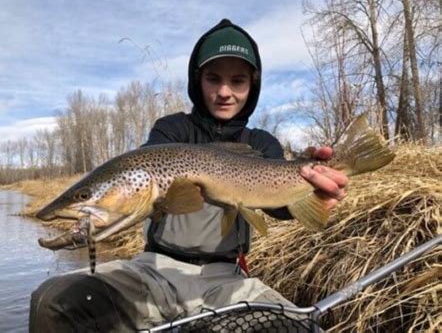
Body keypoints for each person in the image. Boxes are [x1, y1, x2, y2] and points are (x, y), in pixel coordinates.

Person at [29, 18, 347, 332]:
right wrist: (98, 215)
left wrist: (315, 193)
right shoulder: (171, 130)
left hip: (226, 281)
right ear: (198, 81)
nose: (225, 92)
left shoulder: (262, 143)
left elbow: (279, 206)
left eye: (237, 81)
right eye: (213, 79)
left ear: (253, 86)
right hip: (154, 272)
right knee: (53, 301)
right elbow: (143, 192)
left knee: (296, 328)